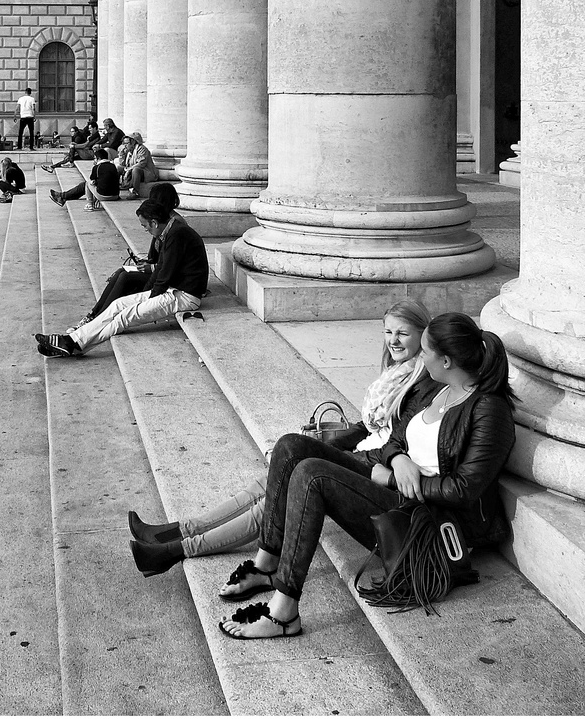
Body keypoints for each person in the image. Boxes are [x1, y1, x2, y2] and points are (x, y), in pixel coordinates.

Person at [213, 312, 517, 639]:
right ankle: (266, 563)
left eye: (425, 351)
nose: (420, 357)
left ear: (445, 360)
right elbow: (396, 439)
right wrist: (398, 459)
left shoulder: (489, 410)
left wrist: (391, 478)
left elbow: (463, 489)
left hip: (420, 517)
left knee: (312, 474)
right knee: (291, 447)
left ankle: (284, 613)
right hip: (394, 484)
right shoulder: (434, 386)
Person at [128, 300, 432, 576]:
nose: (393, 340)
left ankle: (174, 551)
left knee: (275, 497)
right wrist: (325, 445)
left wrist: (329, 455)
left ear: (424, 334)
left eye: (402, 333)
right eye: (388, 331)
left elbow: (395, 443)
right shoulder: (399, 372)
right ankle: (178, 531)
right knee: (271, 479)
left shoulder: (422, 381)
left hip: (373, 473)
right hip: (363, 455)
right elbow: (367, 428)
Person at [36, 198, 207, 358]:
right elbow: (161, 269)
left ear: (154, 223)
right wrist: (148, 293)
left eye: (145, 226)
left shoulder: (177, 235)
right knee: (117, 304)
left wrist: (148, 299)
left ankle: (74, 346)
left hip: (185, 296)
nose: (145, 230)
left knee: (123, 317)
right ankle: (72, 339)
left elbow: (164, 274)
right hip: (172, 290)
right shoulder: (171, 231)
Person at [50, 146, 121, 210]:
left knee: (87, 183)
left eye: (95, 158)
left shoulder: (97, 167)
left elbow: (92, 180)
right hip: (115, 195)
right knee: (86, 185)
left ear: (98, 158)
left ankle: (89, 204)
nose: (94, 160)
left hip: (104, 196)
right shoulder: (113, 166)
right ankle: (63, 197)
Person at [119, 132, 159, 197]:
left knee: (136, 170)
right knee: (118, 168)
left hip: (146, 172)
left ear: (133, 142)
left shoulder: (142, 149)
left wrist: (128, 170)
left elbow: (141, 163)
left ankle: (135, 192)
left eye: (127, 143)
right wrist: (121, 154)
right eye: (124, 143)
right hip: (131, 170)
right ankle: (114, 189)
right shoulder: (128, 151)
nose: (125, 145)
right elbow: (122, 164)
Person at [16, 86, 37, 150]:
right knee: (31, 132)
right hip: (30, 116)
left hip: (23, 116)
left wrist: (14, 115)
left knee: (20, 132)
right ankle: (31, 147)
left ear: (25, 92)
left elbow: (17, 108)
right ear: (30, 93)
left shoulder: (20, 99)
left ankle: (19, 147)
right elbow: (33, 108)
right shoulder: (32, 99)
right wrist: (34, 116)